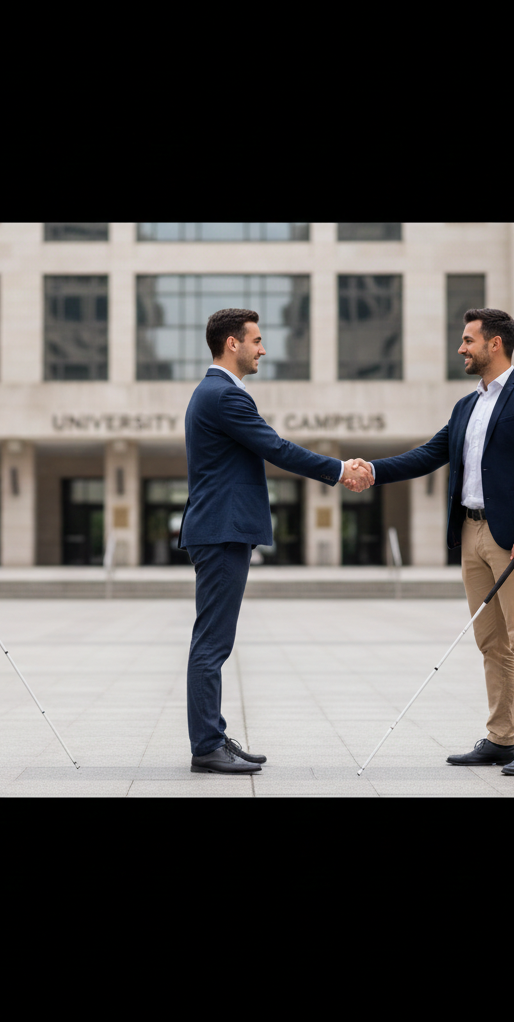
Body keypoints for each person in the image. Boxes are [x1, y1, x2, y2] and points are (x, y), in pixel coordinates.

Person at [345, 308, 514, 776]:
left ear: (496, 344)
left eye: (468, 340)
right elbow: (429, 454)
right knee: (491, 643)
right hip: (471, 533)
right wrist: (374, 471)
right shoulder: (467, 405)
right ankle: (502, 739)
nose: (461, 348)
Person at [179, 309, 371, 774]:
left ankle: (214, 735)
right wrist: (340, 470)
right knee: (212, 642)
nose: (263, 349)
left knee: (214, 639)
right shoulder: (224, 396)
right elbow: (277, 448)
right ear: (232, 343)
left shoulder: (216, 393)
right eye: (257, 340)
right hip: (222, 530)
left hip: (220, 528)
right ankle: (207, 745)